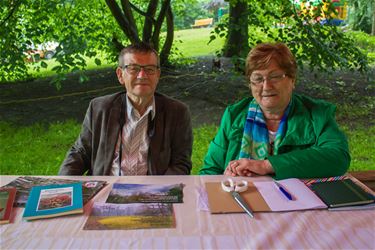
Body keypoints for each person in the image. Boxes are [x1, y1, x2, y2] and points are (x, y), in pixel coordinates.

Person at [199, 42, 350, 179]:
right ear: (250, 84)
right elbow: (209, 171)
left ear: (292, 80)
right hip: (243, 200)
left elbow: (338, 157)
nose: (266, 86)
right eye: (258, 79)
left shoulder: (317, 114)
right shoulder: (234, 115)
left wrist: (266, 165)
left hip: (298, 204)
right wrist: (226, 177)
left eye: (275, 77)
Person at [59, 43, 193, 175]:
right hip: (106, 188)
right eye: (133, 68)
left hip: (152, 192)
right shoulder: (100, 108)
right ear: (120, 75)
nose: (142, 75)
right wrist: (62, 186)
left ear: (158, 74)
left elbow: (180, 163)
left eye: (150, 69)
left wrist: (159, 191)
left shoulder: (177, 112)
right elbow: (80, 153)